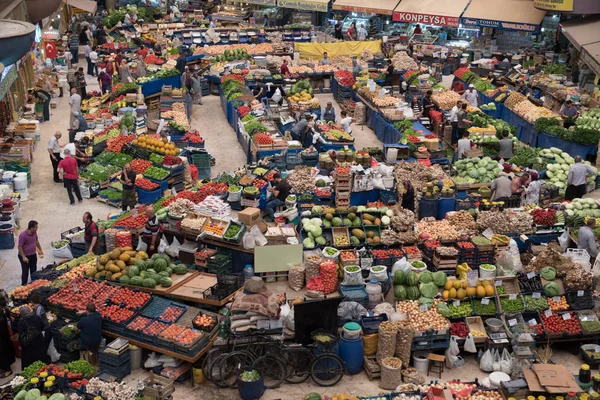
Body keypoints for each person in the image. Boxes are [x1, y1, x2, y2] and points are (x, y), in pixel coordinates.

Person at [18, 221, 42, 286]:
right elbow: (19, 246)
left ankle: (34, 284)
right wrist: (23, 257)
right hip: (25, 256)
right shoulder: (23, 235)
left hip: (33, 254)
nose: (37, 228)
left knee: (34, 270)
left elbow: (36, 241)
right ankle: (23, 286)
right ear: (31, 227)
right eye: (36, 227)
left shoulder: (34, 233)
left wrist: (40, 249)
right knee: (25, 271)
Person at [0, 298, 15, 378]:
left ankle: (8, 370)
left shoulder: (2, 313)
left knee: (2, 353)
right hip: (5, 335)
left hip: (2, 336)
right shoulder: (3, 311)